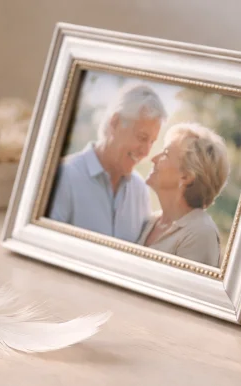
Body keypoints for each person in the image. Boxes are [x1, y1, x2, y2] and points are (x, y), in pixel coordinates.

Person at [47, 83, 166, 243]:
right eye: (142, 138)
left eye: (152, 142)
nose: (146, 152)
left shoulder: (140, 190)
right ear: (115, 123)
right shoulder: (64, 175)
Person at [137, 123, 230, 267]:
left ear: (186, 177)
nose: (153, 158)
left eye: (165, 154)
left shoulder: (200, 233)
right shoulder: (151, 221)